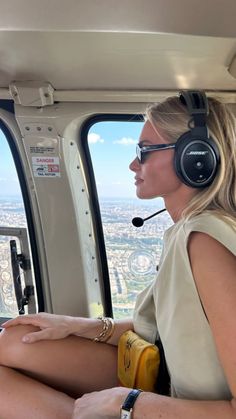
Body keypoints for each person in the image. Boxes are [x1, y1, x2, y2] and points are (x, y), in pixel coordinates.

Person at [0, 90, 235, 419]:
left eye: (144, 151)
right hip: (166, 378)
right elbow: (165, 333)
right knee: (14, 340)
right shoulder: (188, 233)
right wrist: (78, 325)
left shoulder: (206, 242)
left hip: (187, 406)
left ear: (196, 157)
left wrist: (128, 404)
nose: (132, 164)